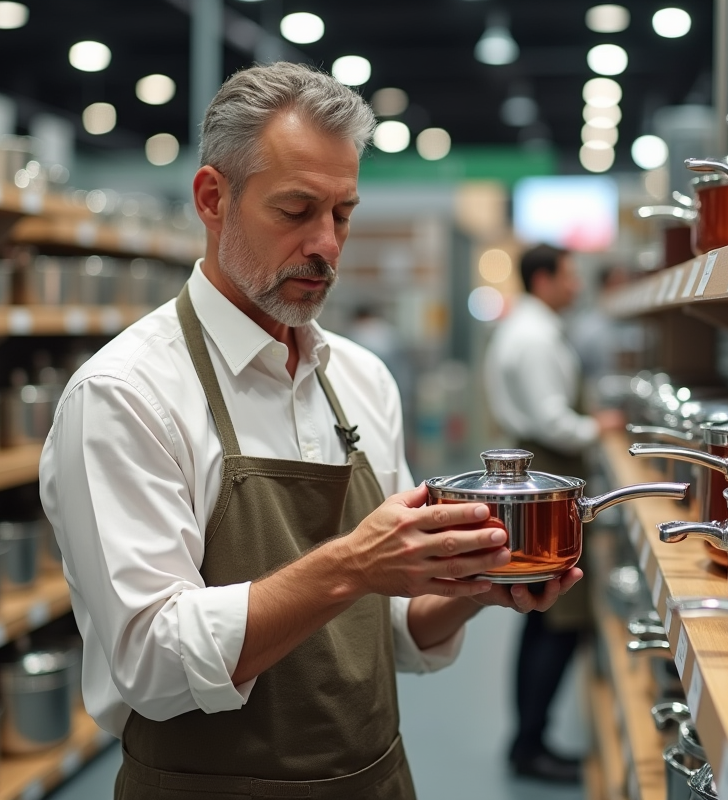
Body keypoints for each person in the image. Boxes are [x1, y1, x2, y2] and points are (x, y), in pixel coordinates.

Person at [39, 63, 582, 800]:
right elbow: (154, 662)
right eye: (295, 210)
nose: (326, 244)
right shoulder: (126, 394)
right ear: (212, 199)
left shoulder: (360, 380)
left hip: (374, 780)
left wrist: (476, 584)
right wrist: (351, 565)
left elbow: (388, 632)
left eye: (343, 213)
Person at [482, 244, 625, 783]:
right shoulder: (535, 335)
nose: (576, 285)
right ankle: (530, 745)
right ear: (543, 279)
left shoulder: (532, 327)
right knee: (554, 615)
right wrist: (599, 428)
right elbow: (549, 418)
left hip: (543, 466)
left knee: (544, 614)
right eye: (568, 276)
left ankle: (529, 738)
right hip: (546, 467)